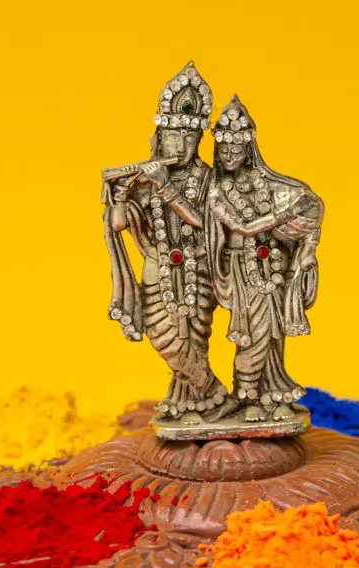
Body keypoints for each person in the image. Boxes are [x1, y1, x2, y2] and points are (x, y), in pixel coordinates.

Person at [102, 62, 234, 425]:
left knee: (194, 340)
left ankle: (197, 404)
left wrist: (166, 188)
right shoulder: (144, 179)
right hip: (157, 269)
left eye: (191, 137)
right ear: (161, 137)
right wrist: (118, 197)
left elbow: (210, 222)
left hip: (199, 270)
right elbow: (121, 223)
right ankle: (214, 394)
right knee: (163, 338)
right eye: (175, 136)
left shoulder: (209, 179)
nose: (182, 145)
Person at [207, 96, 323, 422]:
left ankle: (273, 395)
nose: (230, 156)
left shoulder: (266, 184)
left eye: (236, 149)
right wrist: (283, 214)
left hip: (272, 266)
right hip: (242, 270)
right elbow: (244, 228)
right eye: (224, 150)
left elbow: (310, 208)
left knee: (275, 333)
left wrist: (306, 245)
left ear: (249, 150)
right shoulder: (216, 192)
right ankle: (247, 396)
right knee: (255, 331)